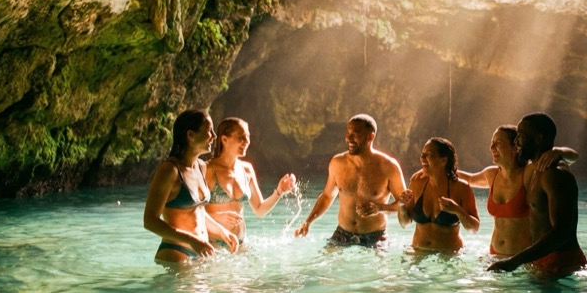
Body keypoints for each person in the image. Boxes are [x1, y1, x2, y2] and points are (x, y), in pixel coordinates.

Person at [488, 113, 587, 278]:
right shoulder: (535, 170)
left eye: (521, 136)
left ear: (539, 139)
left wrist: (514, 261)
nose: (516, 141)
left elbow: (562, 232)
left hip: (560, 260)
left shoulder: (554, 174)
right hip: (542, 258)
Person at [457, 125, 578, 257]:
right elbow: (468, 178)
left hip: (521, 258)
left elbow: (573, 157)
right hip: (493, 254)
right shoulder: (491, 175)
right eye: (492, 143)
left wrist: (559, 152)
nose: (492, 148)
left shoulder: (528, 172)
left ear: (515, 147)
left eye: (498, 143)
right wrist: (436, 169)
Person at [294, 114, 406, 247]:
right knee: (322, 264)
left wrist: (380, 208)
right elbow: (327, 196)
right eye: (348, 133)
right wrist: (308, 221)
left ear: (370, 137)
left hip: (376, 237)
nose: (349, 138)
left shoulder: (389, 166)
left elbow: (405, 205)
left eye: (356, 134)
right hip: (342, 234)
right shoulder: (337, 163)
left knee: (380, 267)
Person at [143, 109, 239, 264]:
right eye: (209, 131)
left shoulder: (202, 167)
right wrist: (192, 240)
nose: (214, 136)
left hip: (200, 251)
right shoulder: (170, 170)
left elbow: (197, 211)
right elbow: (150, 221)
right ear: (190, 135)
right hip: (176, 252)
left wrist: (222, 232)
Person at [205, 117, 297, 245]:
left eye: (247, 137)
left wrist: (280, 191)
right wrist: (216, 217)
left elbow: (259, 209)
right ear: (224, 139)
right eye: (240, 137)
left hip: (242, 243)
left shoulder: (247, 169)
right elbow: (191, 212)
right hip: (213, 243)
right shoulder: (207, 169)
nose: (246, 142)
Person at [397, 137, 479, 252]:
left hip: (448, 255)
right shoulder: (416, 183)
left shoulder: (461, 187)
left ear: (443, 161)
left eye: (428, 154)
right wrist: (401, 206)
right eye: (422, 154)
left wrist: (458, 211)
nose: (422, 158)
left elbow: (474, 228)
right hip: (418, 251)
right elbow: (404, 223)